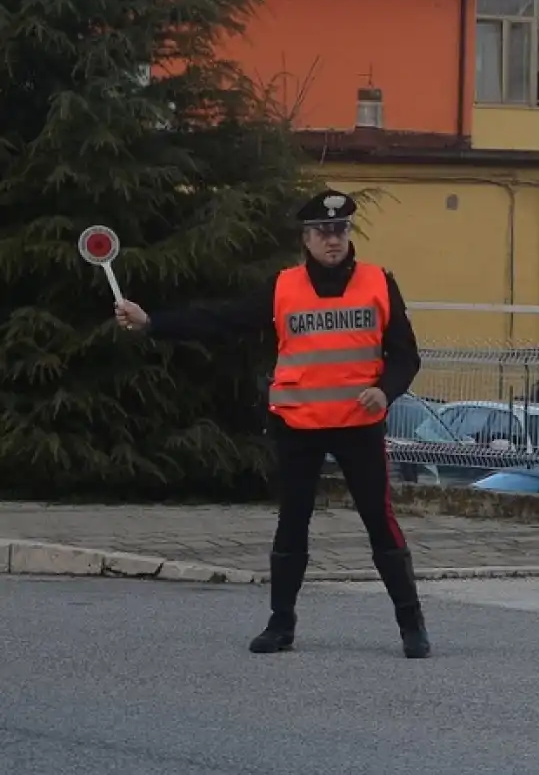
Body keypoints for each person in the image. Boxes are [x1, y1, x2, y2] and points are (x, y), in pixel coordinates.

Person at [115, 189, 432, 659]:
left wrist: (385, 390)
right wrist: (152, 324)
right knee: (292, 524)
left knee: (379, 523)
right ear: (305, 239)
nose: (332, 240)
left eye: (340, 230)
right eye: (323, 232)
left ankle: (412, 625)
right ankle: (280, 624)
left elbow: (406, 355)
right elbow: (222, 319)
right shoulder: (283, 287)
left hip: (358, 424)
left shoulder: (379, 283)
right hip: (298, 425)